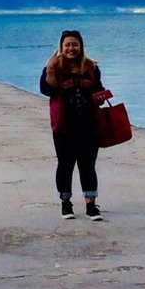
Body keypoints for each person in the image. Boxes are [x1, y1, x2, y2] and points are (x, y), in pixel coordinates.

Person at [39, 29, 105, 220]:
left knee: (88, 166)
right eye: (67, 44)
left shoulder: (91, 67)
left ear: (81, 46)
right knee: (65, 165)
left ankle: (91, 206)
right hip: (63, 126)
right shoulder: (53, 67)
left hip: (89, 125)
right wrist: (50, 69)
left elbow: (98, 87)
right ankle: (66, 204)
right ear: (61, 47)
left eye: (74, 44)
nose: (71, 48)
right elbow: (46, 90)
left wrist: (101, 95)